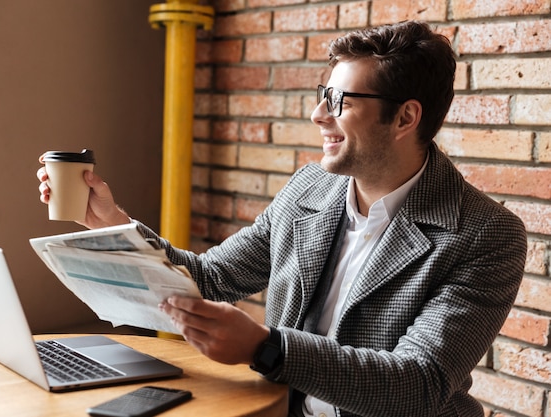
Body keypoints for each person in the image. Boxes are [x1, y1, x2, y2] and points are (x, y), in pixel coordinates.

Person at [37, 20, 527, 417]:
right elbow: (209, 279)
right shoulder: (308, 190)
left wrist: (268, 349)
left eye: (339, 101)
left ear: (405, 118)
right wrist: (109, 223)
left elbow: (419, 385)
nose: (317, 115)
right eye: (322, 94)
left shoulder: (486, 235)